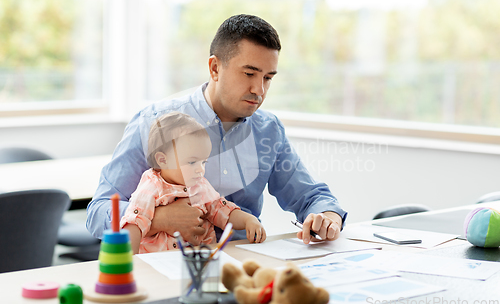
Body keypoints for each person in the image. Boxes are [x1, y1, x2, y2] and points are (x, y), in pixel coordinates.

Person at [87, 14, 347, 245]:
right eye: (249, 74)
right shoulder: (154, 122)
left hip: (242, 270)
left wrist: (327, 218)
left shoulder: (269, 131)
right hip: (166, 267)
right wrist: (159, 218)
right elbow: (98, 212)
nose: (260, 90)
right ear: (214, 68)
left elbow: (311, 196)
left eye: (268, 78)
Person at [121, 112, 266, 254]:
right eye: (192, 162)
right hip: (159, 262)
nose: (200, 170)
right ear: (163, 160)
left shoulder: (200, 185)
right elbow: (134, 225)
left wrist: (249, 220)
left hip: (200, 259)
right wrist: (130, 264)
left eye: (203, 162)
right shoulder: (151, 187)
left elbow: (222, 210)